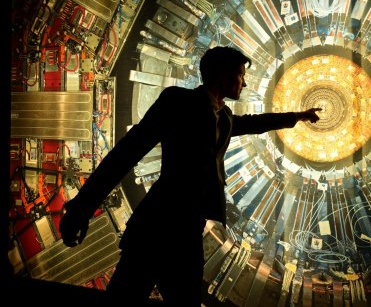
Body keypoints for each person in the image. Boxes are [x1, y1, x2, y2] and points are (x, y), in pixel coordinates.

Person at [59, 46, 321, 304]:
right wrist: (82, 207)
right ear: (221, 75)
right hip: (158, 226)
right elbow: (127, 152)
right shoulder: (178, 101)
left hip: (187, 228)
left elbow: (253, 123)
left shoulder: (225, 117)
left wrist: (296, 117)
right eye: (240, 74)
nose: (244, 81)